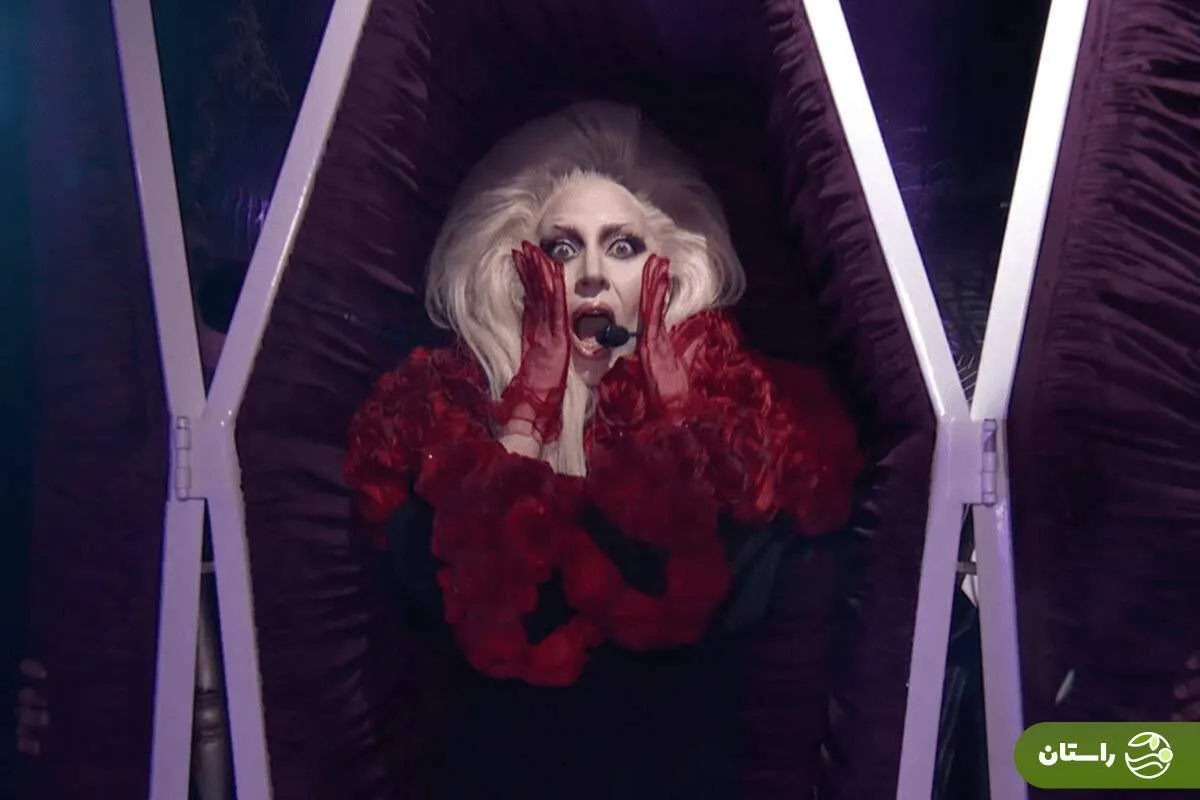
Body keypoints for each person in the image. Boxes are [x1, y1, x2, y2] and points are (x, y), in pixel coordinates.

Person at [344, 101, 863, 798]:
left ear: (665, 270)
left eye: (622, 247)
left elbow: (720, 592)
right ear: (516, 270)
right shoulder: (441, 418)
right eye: (562, 249)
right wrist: (529, 406)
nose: (590, 271)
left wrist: (678, 414)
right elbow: (477, 612)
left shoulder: (748, 420)